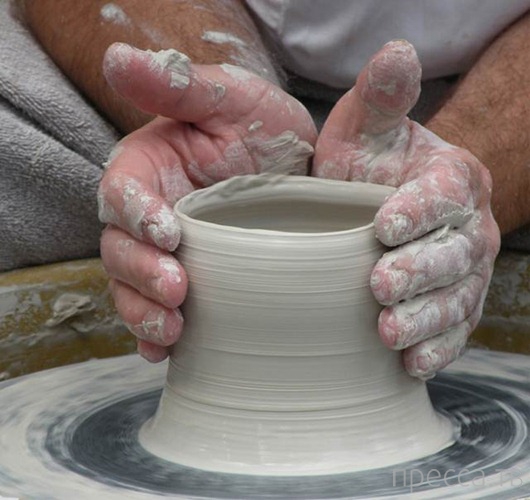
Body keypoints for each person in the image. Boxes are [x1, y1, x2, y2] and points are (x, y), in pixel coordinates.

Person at [10, 0, 530, 379]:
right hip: (202, 41)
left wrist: (460, 178)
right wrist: (202, 102)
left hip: (495, 94)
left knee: (434, 239)